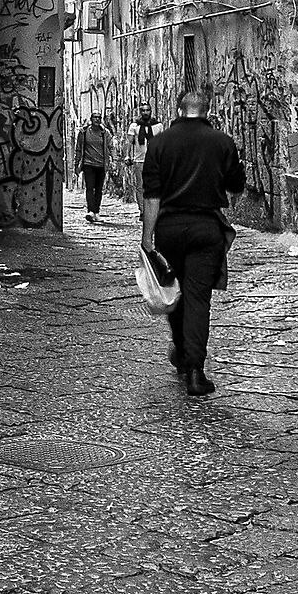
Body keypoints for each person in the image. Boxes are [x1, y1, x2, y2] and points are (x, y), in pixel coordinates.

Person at [139, 87, 245, 397]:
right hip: (205, 228)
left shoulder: (159, 144)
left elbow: (152, 195)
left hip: (169, 228)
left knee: (174, 291)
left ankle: (183, 354)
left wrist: (148, 238)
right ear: (208, 110)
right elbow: (236, 184)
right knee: (199, 297)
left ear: (179, 109)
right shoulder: (222, 142)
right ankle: (196, 372)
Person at [77, 113, 113, 219]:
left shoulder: (105, 133)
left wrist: (114, 159)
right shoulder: (84, 132)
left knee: (98, 189)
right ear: (91, 119)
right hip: (88, 163)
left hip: (101, 164)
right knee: (89, 187)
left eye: (99, 118)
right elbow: (79, 148)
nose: (97, 119)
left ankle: (96, 211)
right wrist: (77, 163)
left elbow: (111, 146)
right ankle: (91, 210)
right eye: (95, 117)